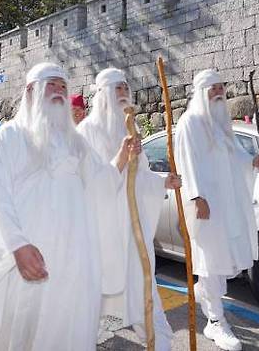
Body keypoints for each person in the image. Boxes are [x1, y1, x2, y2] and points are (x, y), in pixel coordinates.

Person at [0, 62, 136, 351]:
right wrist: (18, 246)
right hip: (30, 258)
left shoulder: (76, 142)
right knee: (22, 330)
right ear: (31, 91)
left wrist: (122, 155)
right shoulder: (9, 136)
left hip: (75, 260)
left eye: (63, 86)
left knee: (69, 328)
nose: (59, 91)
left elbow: (102, 182)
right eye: (52, 85)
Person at [77, 68, 180, 350]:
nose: (123, 93)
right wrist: (121, 156)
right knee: (100, 291)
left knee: (143, 286)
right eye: (117, 88)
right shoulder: (85, 133)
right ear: (103, 96)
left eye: (126, 87)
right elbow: (89, 186)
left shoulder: (130, 129)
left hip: (134, 234)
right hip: (103, 232)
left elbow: (142, 177)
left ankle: (159, 341)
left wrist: (162, 183)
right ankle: (92, 330)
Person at [175, 69, 259, 351]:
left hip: (227, 206)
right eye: (212, 88)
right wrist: (196, 197)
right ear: (202, 92)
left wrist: (253, 162)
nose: (218, 92)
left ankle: (207, 303)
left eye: (221, 88)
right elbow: (185, 162)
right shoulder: (190, 123)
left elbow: (236, 156)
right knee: (209, 262)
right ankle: (216, 321)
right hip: (206, 207)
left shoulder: (221, 124)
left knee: (214, 264)